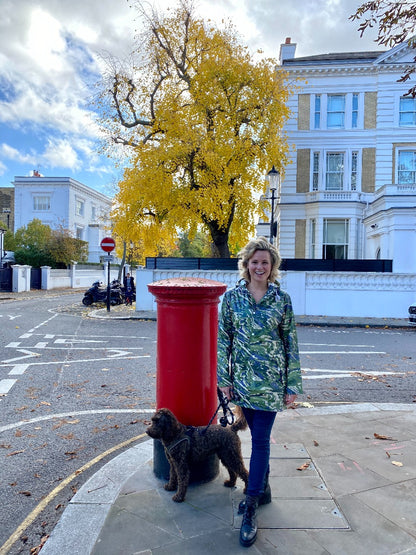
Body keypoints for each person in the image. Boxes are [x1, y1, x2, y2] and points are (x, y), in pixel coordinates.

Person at [217, 236, 302, 548]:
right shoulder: (232, 298)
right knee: (253, 433)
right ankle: (262, 488)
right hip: (241, 380)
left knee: (261, 441)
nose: (260, 267)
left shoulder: (282, 300)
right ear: (246, 264)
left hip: (269, 382)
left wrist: (292, 384)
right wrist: (223, 379)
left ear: (273, 266)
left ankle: (251, 504)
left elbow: (290, 342)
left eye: (265, 262)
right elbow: (222, 339)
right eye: (255, 261)